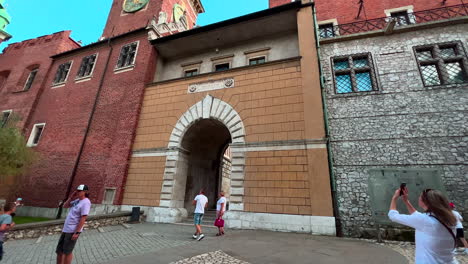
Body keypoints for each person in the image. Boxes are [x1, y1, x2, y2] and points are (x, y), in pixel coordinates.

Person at [388, 188, 458, 264]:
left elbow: (393, 216)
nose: (419, 197)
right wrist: (406, 202)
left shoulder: (425, 221)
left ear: (425, 202)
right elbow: (418, 216)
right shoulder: (450, 218)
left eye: (420, 196)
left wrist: (394, 197)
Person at [56, 184, 91, 264]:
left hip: (72, 230)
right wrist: (71, 197)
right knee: (59, 251)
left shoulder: (86, 202)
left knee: (67, 252)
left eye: (80, 191)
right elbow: (65, 206)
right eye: (77, 190)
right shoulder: (78, 201)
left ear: (85, 192)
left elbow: (83, 218)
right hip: (66, 229)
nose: (77, 192)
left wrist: (77, 232)